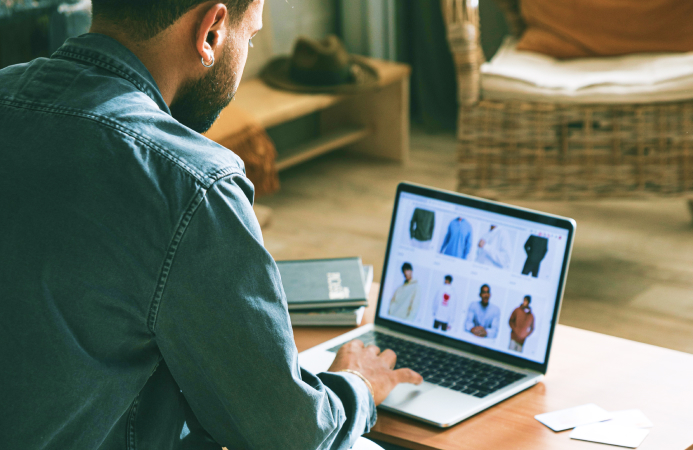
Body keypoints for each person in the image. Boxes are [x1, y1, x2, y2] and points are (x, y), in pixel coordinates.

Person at [0, 1, 422, 449]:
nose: (248, 53)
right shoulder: (188, 182)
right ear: (212, 31)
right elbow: (289, 437)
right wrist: (356, 383)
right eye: (252, 37)